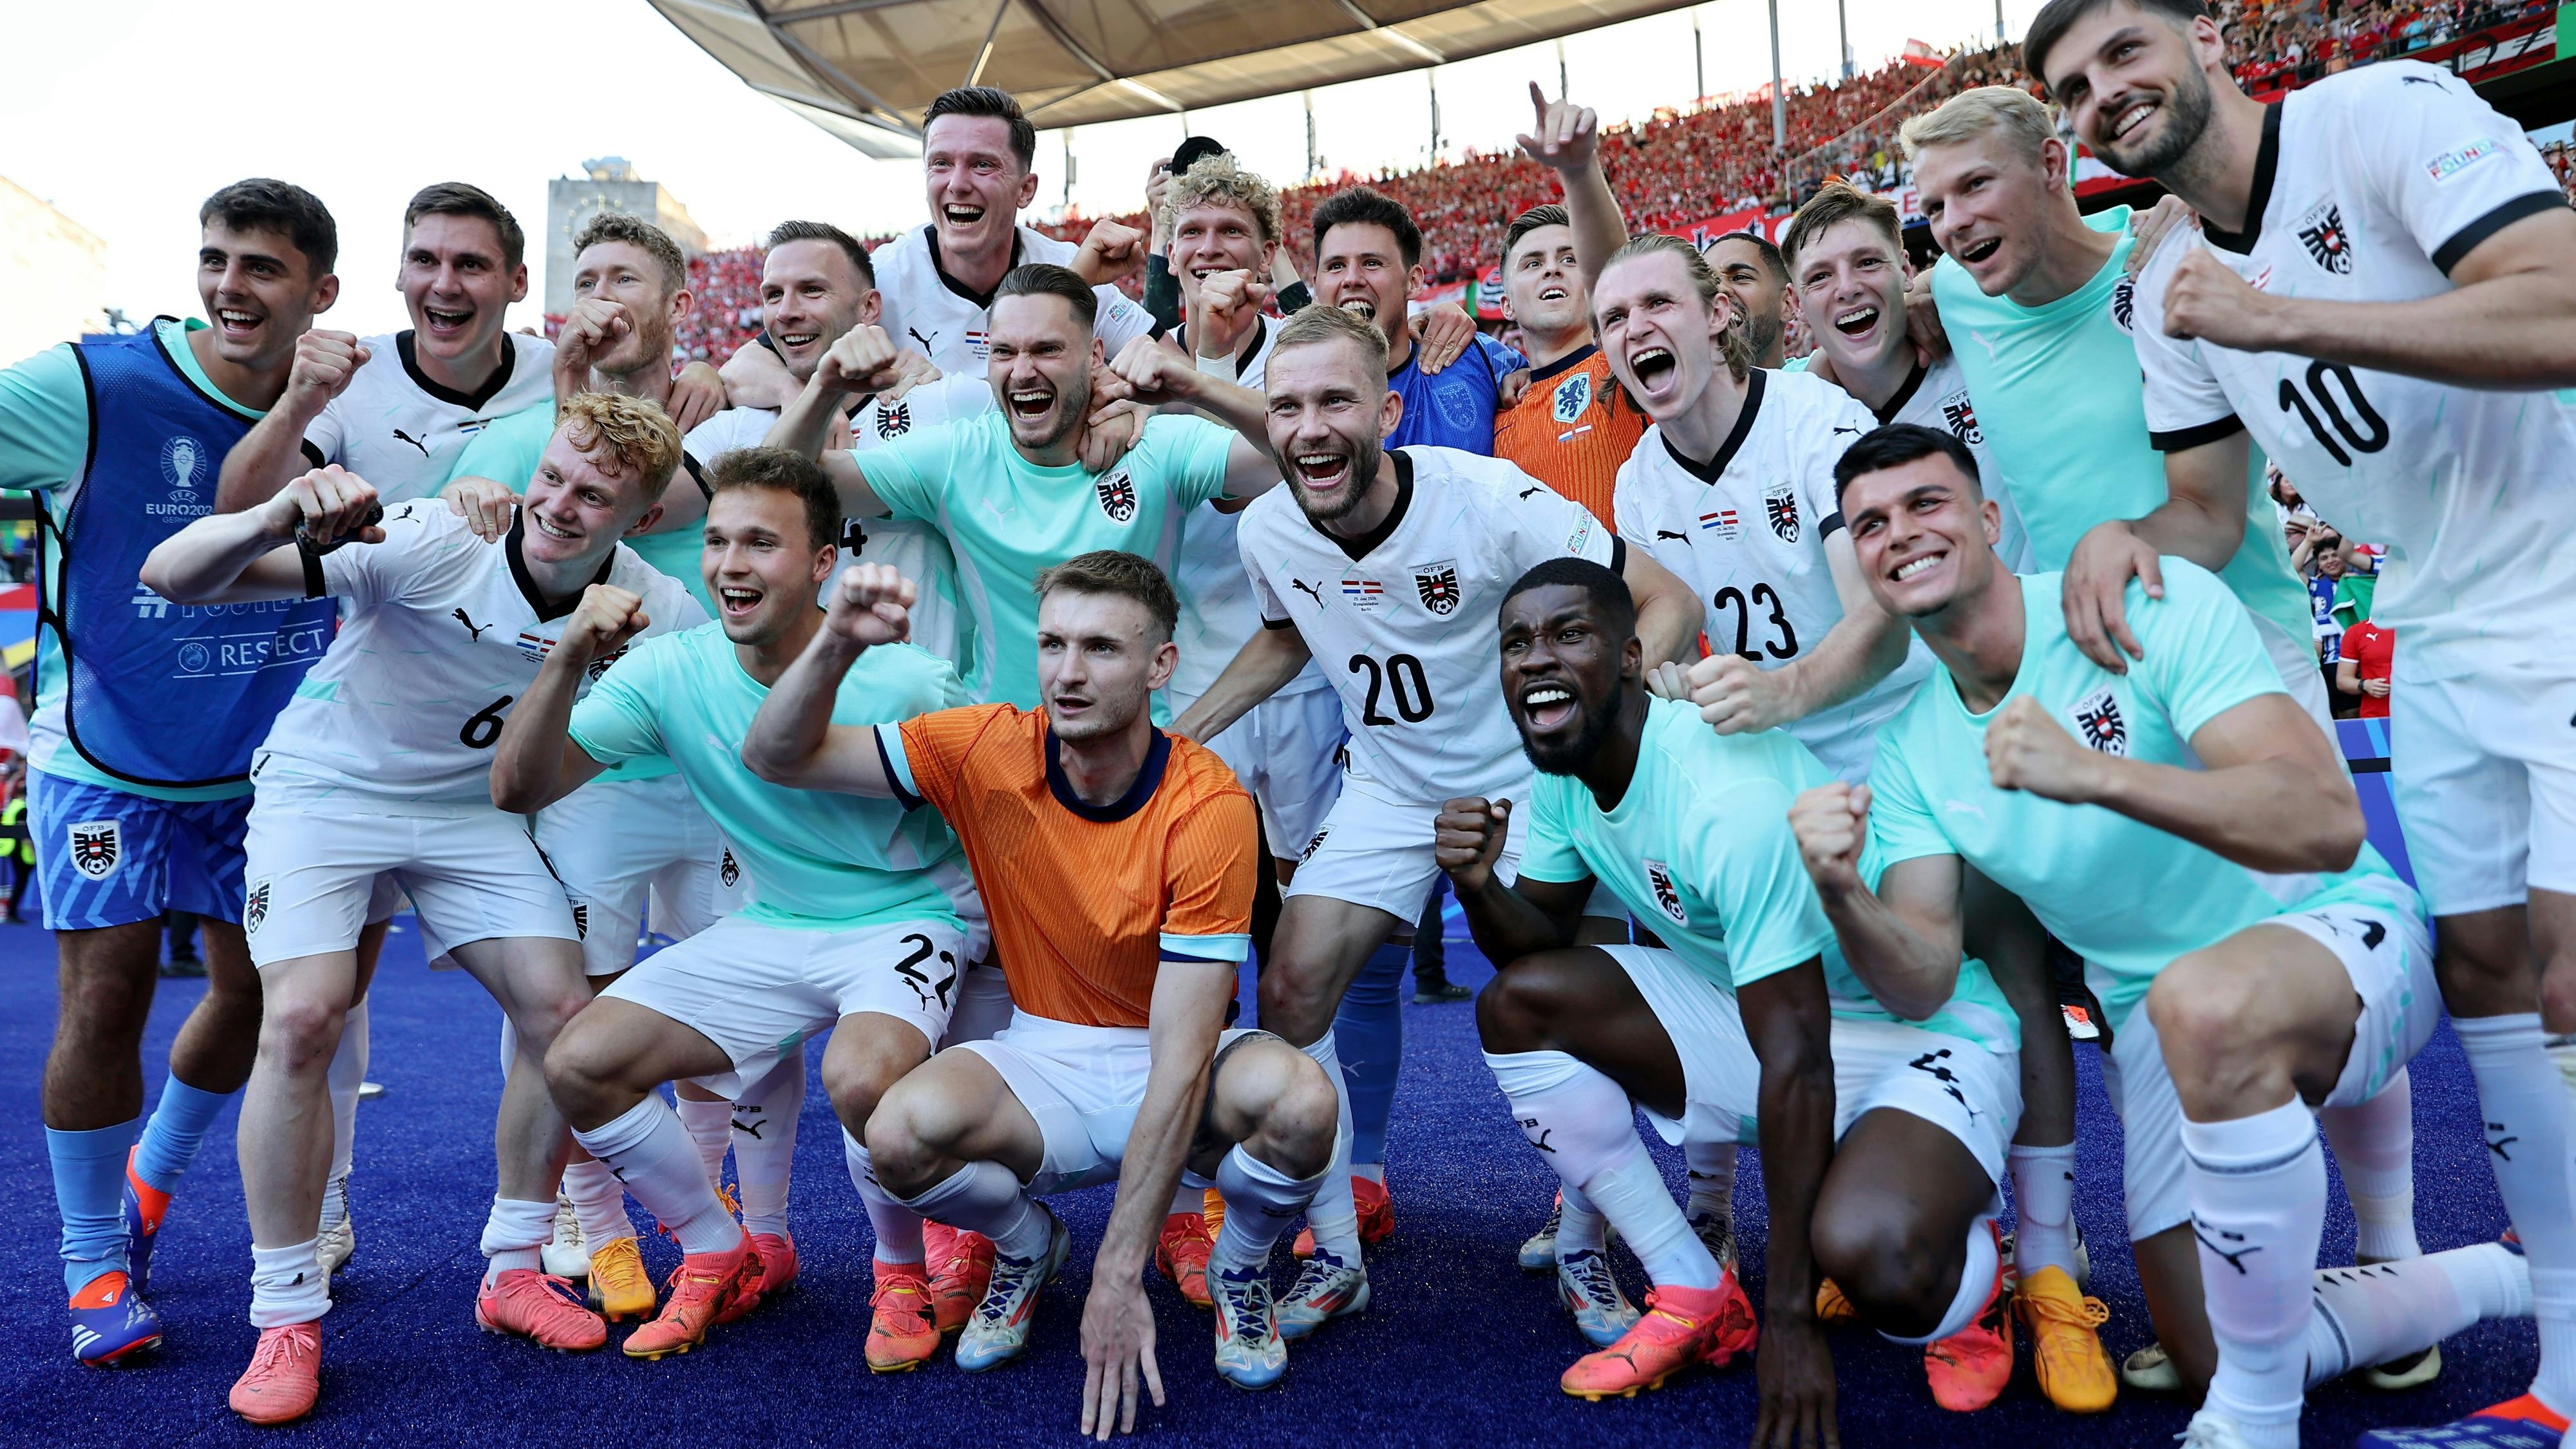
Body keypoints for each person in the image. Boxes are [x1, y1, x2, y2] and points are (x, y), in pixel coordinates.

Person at [2030, 2, 2576, 1439]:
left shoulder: (2379, 114)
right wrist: (2120, 538)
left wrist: (2274, 311)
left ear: (2206, 36)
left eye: (2121, 57)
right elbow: (2207, 511)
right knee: (2489, 980)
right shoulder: (2165, 295)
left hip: (2570, 573)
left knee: (2572, 981)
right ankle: (2562, 1387)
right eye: (2072, 90)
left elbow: (2561, 307)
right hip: (2440, 631)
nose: (2102, 97)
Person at [1815, 422, 2531, 1449]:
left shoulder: (2135, 598)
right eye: (1870, 524)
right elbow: (1927, 973)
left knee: (2210, 998)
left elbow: (2325, 821)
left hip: (2331, 927)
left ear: (1986, 518)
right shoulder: (1912, 752)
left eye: (1927, 503)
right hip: (2157, 1013)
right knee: (2209, 1348)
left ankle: (2260, 1418)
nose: (1902, 534)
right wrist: (1844, 889)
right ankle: (2513, 1270)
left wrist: (2096, 773)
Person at [138, 393, 702, 1424]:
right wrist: (277, 515)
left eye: (596, 496)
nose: (563, 505)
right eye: (558, 476)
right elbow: (169, 577)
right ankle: (286, 1316)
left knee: (561, 1015)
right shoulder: (437, 534)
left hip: (468, 815)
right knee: (304, 1015)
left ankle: (513, 1266)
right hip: (327, 791)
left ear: (640, 515)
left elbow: (733, 703)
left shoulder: (655, 602)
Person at [1167, 303, 1696, 1337]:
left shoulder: (1486, 498)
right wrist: (1182, 732)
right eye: (1287, 407)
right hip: (1392, 785)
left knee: (1572, 1004)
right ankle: (1339, 1257)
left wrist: (1612, 729)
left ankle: (1587, 1247)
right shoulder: (1269, 524)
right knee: (1291, 987)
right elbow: (1289, 635)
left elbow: (1659, 595)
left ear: (1388, 410)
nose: (1310, 427)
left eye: (1335, 401)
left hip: (1533, 781)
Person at [740, 550, 1341, 1410]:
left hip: (1168, 1054)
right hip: (1041, 1051)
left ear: (1160, 665)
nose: (1067, 671)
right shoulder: (984, 744)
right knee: (894, 1131)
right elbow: (776, 754)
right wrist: (837, 642)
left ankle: (1240, 1265)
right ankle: (1026, 1244)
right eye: (1052, 643)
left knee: (1303, 1102)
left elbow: (1179, 1057)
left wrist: (1121, 1269)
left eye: (1100, 647)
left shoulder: (1209, 803)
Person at [1447, 555, 2030, 1423]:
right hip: (1768, 1019)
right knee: (1521, 1005)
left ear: (1633, 656)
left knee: (1878, 1264)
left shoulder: (1723, 796)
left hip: (1919, 1032)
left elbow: (1795, 1055)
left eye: (1569, 634)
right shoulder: (1565, 773)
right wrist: (1477, 882)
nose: (1537, 659)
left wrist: (1794, 1323)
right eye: (1517, 643)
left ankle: (1975, 1271)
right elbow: (1535, 948)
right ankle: (1696, 1289)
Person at [495, 446, 985, 1368]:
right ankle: (718, 1245)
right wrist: (566, 657)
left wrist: (990, 968)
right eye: (718, 540)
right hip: (777, 922)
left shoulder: (910, 679)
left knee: (862, 1077)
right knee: (581, 1062)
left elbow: (989, 824)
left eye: (762, 542)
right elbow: (519, 786)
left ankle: (898, 1270)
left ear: (824, 562)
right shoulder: (668, 669)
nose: (730, 564)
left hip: (908, 918)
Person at [0, 179, 345, 1365]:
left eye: (261, 267)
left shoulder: (358, 394)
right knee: (107, 997)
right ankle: (93, 1262)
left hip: (264, 771)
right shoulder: (92, 383)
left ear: (321, 293)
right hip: (107, 758)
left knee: (259, 999)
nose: (230, 287)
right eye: (216, 260)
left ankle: (150, 1179)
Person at [430, 211, 769, 1320]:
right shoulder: (520, 430)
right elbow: (447, 538)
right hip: (579, 782)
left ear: (679, 301)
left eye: (626, 274)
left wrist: (739, 373)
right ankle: (604, 1229)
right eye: (585, 277)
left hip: (700, 773)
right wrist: (463, 499)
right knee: (570, 1016)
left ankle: (711, 1201)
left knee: (734, 1010)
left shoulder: (720, 423)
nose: (603, 293)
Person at [1902, 86, 2322, 723]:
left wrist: (2199, 209)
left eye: (1976, 185)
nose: (1953, 221)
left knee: (2299, 822)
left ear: (2050, 164)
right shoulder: (1956, 292)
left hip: (2245, 640)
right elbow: (1820, 363)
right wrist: (1915, 296)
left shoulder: (2167, 263)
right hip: (2093, 664)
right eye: (1935, 206)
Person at [775, 263, 1282, 714]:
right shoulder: (956, 456)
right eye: (1004, 352)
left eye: (1047, 350)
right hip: (999, 754)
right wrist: (825, 386)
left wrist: (1194, 385)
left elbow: (1290, 455)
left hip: (1135, 755)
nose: (1022, 371)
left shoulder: (1155, 447)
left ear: (1094, 357)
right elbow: (779, 493)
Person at [720, 86, 1153, 403]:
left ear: (1026, 190)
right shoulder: (882, 276)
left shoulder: (1072, 268)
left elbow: (1175, 372)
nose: (957, 184)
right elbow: (747, 366)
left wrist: (1132, 405)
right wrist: (798, 394)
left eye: (982, 165)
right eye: (941, 164)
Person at [679, 219, 978, 671]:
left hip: (911, 716)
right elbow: (635, 506)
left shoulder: (941, 405)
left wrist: (1126, 409)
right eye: (773, 295)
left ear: (869, 308)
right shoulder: (733, 428)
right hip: (776, 710)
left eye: (812, 291)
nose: (786, 312)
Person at [1781, 181, 2033, 573]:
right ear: (1795, 304)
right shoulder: (1794, 409)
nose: (1847, 288)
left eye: (1868, 262)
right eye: (1820, 277)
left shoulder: (1978, 334)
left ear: (1905, 269)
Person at [1489, 85, 1646, 525]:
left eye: (1570, 258)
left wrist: (1579, 170)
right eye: (1532, 263)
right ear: (1506, 304)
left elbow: (1619, 278)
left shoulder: (1626, 369)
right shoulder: (1495, 415)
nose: (1552, 270)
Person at [1309, 187, 1527, 455]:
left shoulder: (1479, 356)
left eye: (1372, 263)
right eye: (1336, 266)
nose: (1352, 278)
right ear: (1316, 288)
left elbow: (1560, 375)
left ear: (1413, 282)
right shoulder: (1298, 395)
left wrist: (1527, 378)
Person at [1704, 232, 1792, 369]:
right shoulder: (1675, 388)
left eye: (1740, 278)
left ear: (1788, 304)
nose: (1720, 289)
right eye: (1710, 281)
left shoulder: (1819, 383)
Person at [2340, 614, 2394, 719]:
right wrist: (2366, 685)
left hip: (2418, 716)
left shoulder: (2418, 628)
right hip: (2375, 718)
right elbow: (2342, 680)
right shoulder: (2356, 631)